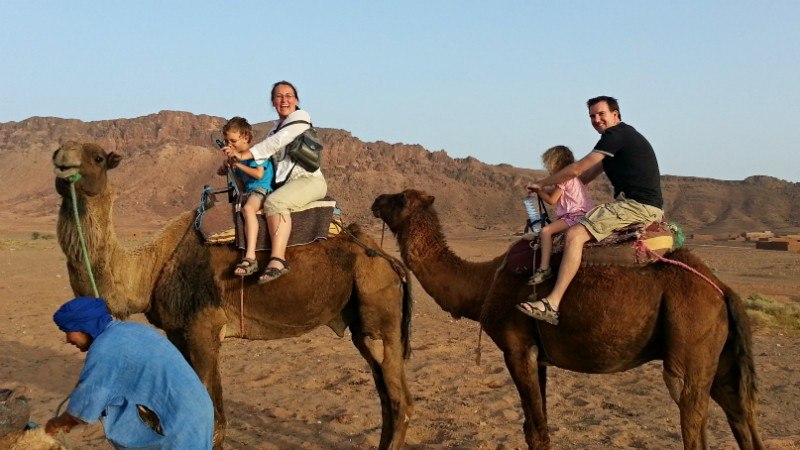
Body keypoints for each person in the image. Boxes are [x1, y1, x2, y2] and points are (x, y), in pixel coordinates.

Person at [517, 96, 664, 325]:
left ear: (615, 114)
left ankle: (552, 303)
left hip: (637, 206)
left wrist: (542, 183)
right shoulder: (616, 146)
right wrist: (559, 186)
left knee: (575, 234)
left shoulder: (615, 135)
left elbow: (576, 170)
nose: (596, 120)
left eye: (601, 114)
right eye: (592, 116)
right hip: (638, 204)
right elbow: (584, 178)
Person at [45, 297, 214, 449]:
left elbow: (83, 409)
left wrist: (56, 424)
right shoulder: (128, 330)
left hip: (178, 423)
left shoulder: (104, 349)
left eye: (68, 330)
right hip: (198, 410)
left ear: (84, 326)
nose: (67, 339)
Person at [222, 80, 327, 284]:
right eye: (279, 96)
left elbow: (274, 144)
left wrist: (244, 156)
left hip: (308, 180)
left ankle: (278, 261)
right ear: (273, 102)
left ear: (296, 100)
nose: (284, 100)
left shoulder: (300, 120)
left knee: (275, 203)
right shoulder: (274, 130)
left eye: (288, 95)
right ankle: (250, 256)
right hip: (287, 185)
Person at [526, 145, 594, 286]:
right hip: (582, 214)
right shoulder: (574, 178)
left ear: (556, 163)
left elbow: (552, 200)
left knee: (545, 231)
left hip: (574, 216)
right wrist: (541, 189)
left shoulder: (563, 179)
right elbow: (555, 191)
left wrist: (539, 191)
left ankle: (544, 268)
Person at [217, 117, 275, 276]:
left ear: (246, 138)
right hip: (248, 192)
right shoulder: (236, 158)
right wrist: (226, 166)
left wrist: (238, 164)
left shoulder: (258, 154)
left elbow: (258, 174)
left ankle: (251, 256)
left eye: (233, 141)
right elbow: (220, 172)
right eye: (227, 141)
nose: (230, 144)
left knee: (248, 209)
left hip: (262, 189)